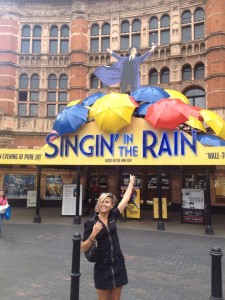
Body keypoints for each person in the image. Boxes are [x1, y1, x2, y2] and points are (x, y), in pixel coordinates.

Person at [81, 174, 135, 300]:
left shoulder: (113, 217)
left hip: (118, 263)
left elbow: (125, 200)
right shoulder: (91, 223)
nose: (104, 204)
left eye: (107, 202)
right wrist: (93, 234)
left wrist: (131, 182)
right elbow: (83, 248)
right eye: (102, 202)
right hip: (102, 266)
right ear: (98, 204)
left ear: (112, 205)